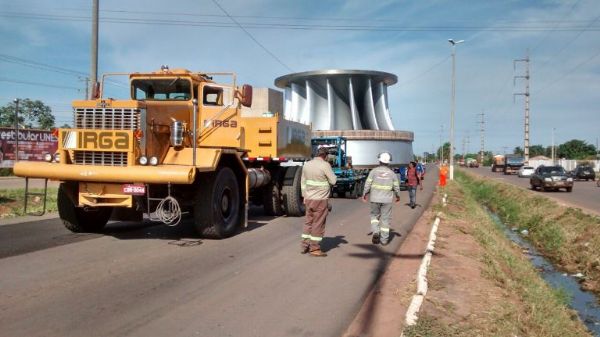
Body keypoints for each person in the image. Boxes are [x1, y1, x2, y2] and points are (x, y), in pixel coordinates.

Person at [300, 147, 337, 257]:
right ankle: (314, 249)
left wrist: (304, 195)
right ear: (325, 156)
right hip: (320, 199)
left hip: (309, 198)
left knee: (308, 222)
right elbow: (333, 181)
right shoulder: (325, 165)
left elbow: (303, 182)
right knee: (318, 223)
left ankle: (304, 245)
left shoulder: (307, 164)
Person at [362, 152, 401, 246]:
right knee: (385, 219)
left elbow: (368, 184)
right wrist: (398, 196)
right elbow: (396, 186)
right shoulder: (392, 174)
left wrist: (364, 194)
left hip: (375, 198)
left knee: (374, 216)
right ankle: (384, 240)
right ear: (388, 162)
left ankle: (375, 231)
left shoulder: (373, 172)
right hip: (387, 200)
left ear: (379, 161)